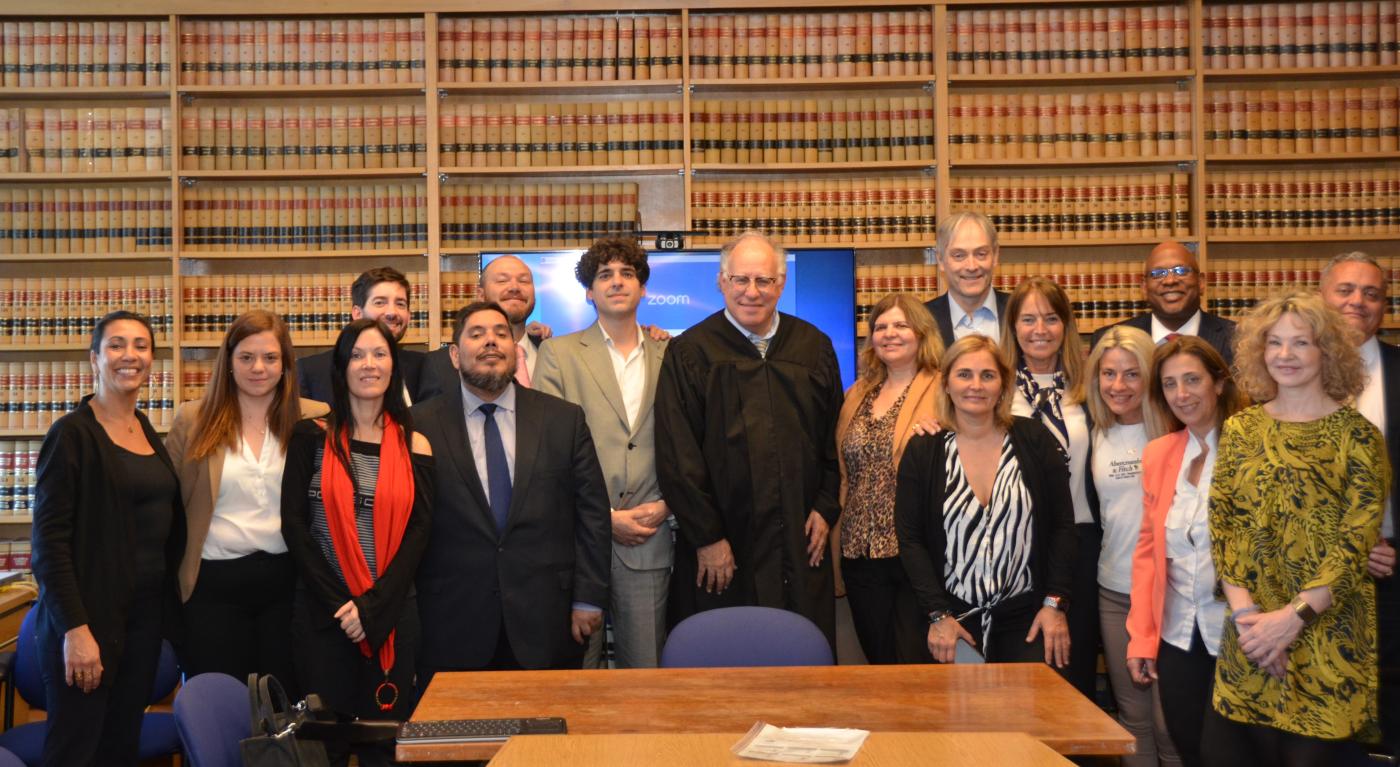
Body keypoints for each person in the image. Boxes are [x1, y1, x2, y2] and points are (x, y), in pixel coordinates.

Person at [1210, 291, 1389, 765]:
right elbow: (1225, 528)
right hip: (1249, 637)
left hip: (1326, 636)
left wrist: (1291, 621)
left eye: (1301, 343)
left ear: (1326, 352)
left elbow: (1356, 542)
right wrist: (1253, 625)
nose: (1285, 356)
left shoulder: (1359, 437)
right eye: (1274, 343)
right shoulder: (1240, 429)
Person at [655, 230, 844, 647]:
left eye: (764, 281)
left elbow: (833, 438)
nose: (751, 292)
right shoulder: (691, 352)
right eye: (740, 280)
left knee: (800, 656)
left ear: (781, 283)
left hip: (798, 538)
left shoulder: (813, 347)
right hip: (725, 545)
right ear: (722, 282)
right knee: (725, 663)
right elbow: (677, 455)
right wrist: (707, 538)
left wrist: (825, 507)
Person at [413, 302, 611, 674]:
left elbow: (592, 516)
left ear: (515, 350)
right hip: (450, 623)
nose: (491, 342)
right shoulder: (418, 425)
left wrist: (588, 599)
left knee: (550, 729)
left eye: (501, 334)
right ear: (455, 356)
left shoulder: (563, 419)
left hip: (548, 620)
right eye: (477, 334)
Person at [30, 311, 186, 766]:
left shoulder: (147, 431)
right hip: (88, 624)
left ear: (152, 361)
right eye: (116, 345)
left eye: (140, 346)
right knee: (76, 749)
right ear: (94, 358)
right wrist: (75, 631)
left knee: (120, 747)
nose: (129, 356)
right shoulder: (72, 435)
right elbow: (49, 546)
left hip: (141, 622)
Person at [281, 318, 433, 767]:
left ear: (394, 366)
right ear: (341, 367)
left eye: (380, 354)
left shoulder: (416, 444)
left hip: (392, 617)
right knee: (322, 750)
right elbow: (295, 527)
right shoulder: (310, 436)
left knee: (385, 748)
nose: (369, 364)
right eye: (358, 355)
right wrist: (344, 606)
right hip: (323, 618)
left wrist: (372, 609)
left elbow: (418, 536)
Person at [165, 310, 329, 691]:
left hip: (290, 585)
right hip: (212, 589)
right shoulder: (193, 420)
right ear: (229, 361)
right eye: (246, 357)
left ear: (286, 364)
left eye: (270, 358)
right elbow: (168, 508)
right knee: (220, 704)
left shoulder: (316, 419)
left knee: (286, 706)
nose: (259, 367)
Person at [894, 335, 1075, 666]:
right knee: (953, 718)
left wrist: (1054, 605)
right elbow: (910, 538)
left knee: (1027, 716)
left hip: (1027, 619)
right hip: (950, 622)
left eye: (987, 375)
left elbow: (1063, 525)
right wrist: (937, 615)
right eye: (964, 374)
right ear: (946, 383)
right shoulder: (924, 449)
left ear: (1003, 386)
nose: (975, 385)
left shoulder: (1033, 439)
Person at [534, 238, 672, 669]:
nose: (617, 282)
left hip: (650, 537)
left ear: (643, 288)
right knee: (576, 680)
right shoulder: (558, 354)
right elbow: (546, 450)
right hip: (578, 542)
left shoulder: (673, 354)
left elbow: (689, 443)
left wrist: (668, 504)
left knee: (646, 680)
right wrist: (604, 518)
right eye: (605, 275)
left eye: (627, 273)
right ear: (589, 292)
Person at [1126, 336, 1246, 767]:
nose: (1182, 394)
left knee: (1229, 755)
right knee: (1188, 747)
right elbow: (1147, 554)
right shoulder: (1160, 454)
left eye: (1192, 380)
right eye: (1171, 384)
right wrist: (1141, 638)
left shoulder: (1252, 447)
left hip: (1242, 636)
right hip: (1178, 636)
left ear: (1219, 382)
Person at [1319, 251, 1400, 756]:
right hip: (1306, 576)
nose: (1358, 302)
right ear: (1322, 297)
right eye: (1345, 290)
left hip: (1388, 570)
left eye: (1371, 293)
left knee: (1386, 705)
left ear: (1385, 307)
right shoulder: (1286, 370)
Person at [1001, 276, 1097, 697]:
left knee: (1075, 669)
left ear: (1066, 325)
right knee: (1025, 675)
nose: (1040, 329)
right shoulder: (996, 390)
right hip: (1018, 546)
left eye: (1051, 318)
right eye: (1028, 319)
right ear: (1013, 328)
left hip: (1083, 544)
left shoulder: (1093, 387)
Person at [1085, 325, 1176, 766]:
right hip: (1115, 592)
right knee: (1133, 721)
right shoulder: (1095, 432)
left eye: (1131, 374)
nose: (1118, 386)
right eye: (1108, 374)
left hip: (1173, 596)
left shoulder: (1177, 431)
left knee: (1169, 724)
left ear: (1151, 377)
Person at [834, 293, 942, 664]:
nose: (889, 334)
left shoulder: (944, 389)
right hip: (859, 552)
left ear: (921, 333)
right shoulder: (857, 393)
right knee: (878, 662)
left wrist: (944, 433)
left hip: (913, 552)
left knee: (916, 664)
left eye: (900, 325)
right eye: (881, 327)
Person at [298, 267, 433, 404]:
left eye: (400, 304)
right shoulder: (312, 371)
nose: (392, 312)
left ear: (409, 315)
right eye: (380, 303)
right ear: (357, 313)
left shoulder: (423, 367)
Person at [1091, 241, 1236, 365]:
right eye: (1157, 274)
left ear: (1201, 282)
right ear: (1144, 287)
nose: (1170, 281)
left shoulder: (1237, 339)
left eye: (1181, 271)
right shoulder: (1106, 340)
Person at [923, 211, 1010, 346]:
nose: (971, 266)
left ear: (996, 256)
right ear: (940, 260)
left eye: (981, 254)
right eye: (959, 255)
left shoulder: (1020, 312)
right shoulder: (922, 321)